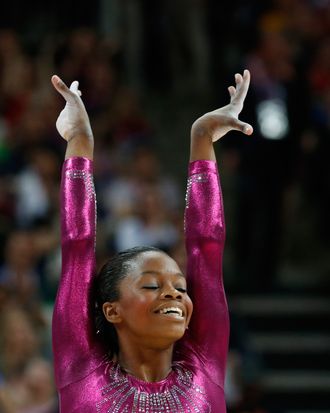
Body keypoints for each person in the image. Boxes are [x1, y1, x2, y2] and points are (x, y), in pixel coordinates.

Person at [51, 70, 253, 412]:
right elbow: (77, 245)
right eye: (150, 286)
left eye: (180, 287)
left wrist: (202, 137)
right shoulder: (82, 368)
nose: (174, 292)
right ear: (111, 310)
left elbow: (206, 246)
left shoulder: (204, 365)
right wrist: (79, 142)